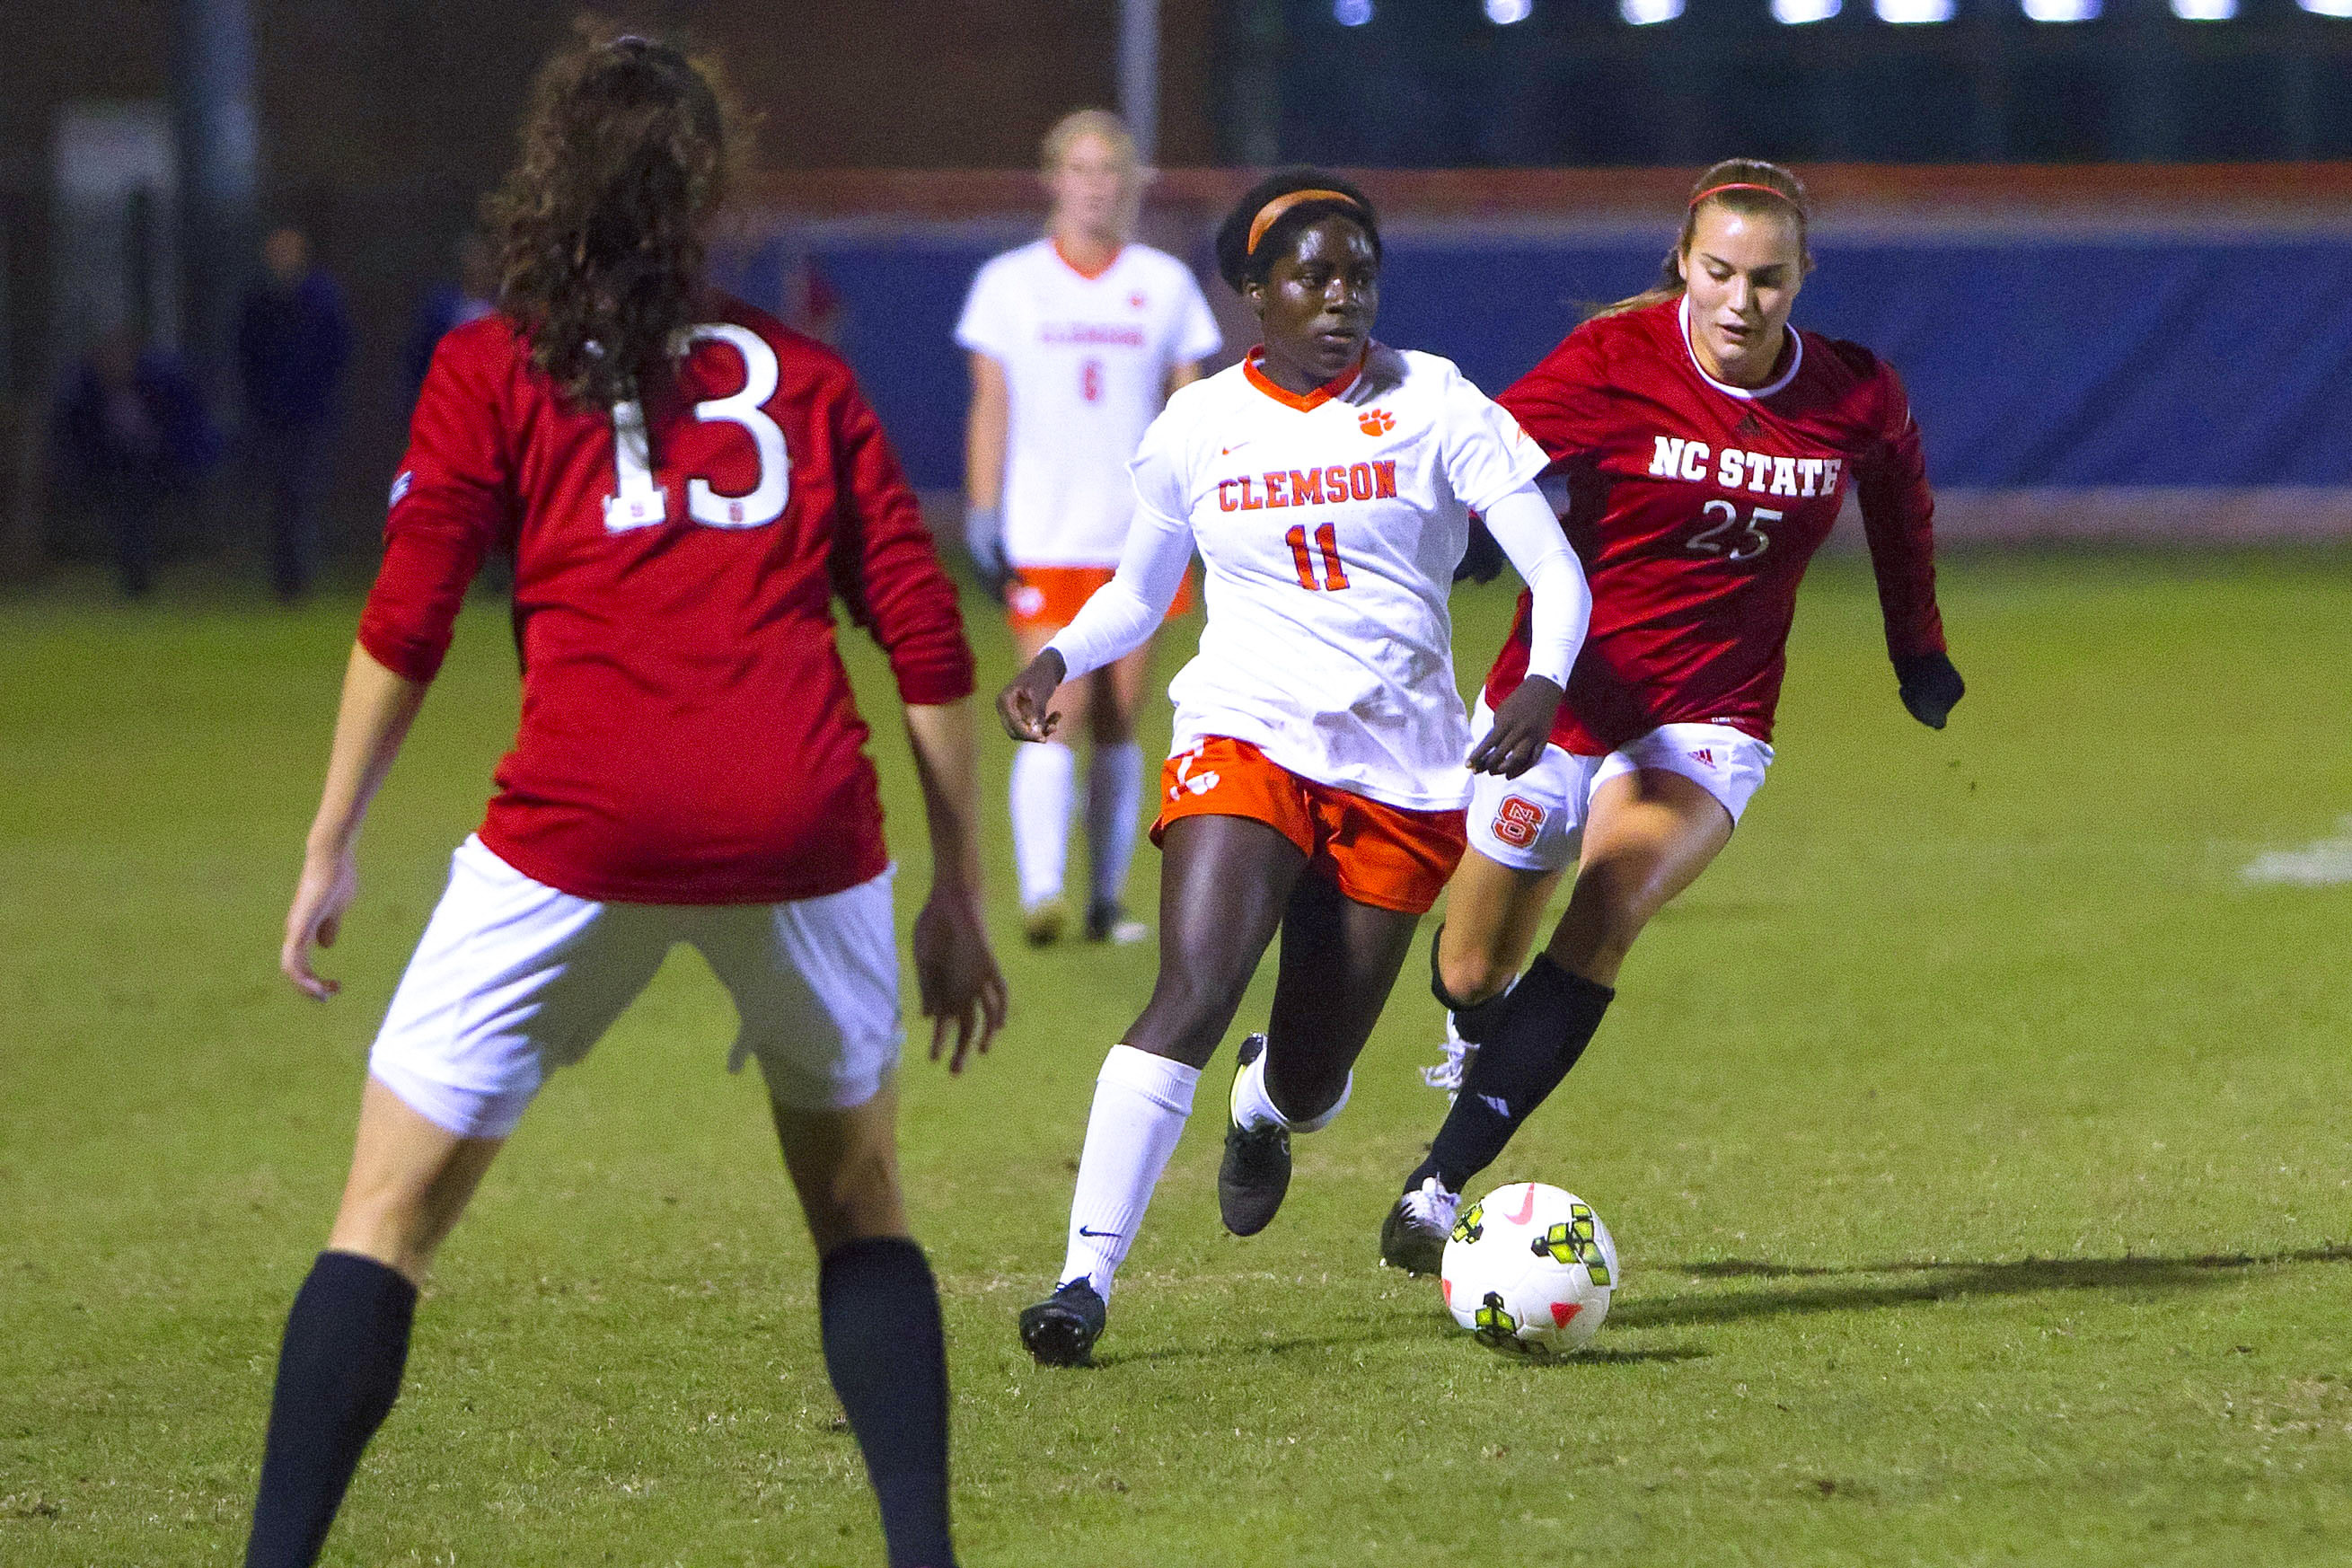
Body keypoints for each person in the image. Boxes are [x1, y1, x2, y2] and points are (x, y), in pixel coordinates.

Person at [242, 32, 1003, 1568]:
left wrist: (331, 841)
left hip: (579, 822)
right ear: (707, 190)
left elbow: (409, 615)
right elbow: (923, 639)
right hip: (801, 820)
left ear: (548, 178)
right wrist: (957, 894)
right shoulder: (803, 375)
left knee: (382, 1219)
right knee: (860, 1205)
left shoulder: (490, 365)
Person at [1000, 170, 1594, 1367]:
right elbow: (1138, 592)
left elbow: (1554, 569)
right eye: (1312, 277)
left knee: (1317, 1077)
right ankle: (1081, 1280)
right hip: (1245, 732)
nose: (1340, 298)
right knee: (1194, 987)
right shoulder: (1197, 424)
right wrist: (1057, 656)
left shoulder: (1436, 399)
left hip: (1404, 770)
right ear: (1254, 292)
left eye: (1358, 276)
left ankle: (1264, 1100)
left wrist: (1543, 681)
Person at [1377, 159, 1966, 1273]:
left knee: (1609, 906)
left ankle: (1436, 1187)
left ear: (1804, 275)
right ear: (1683, 265)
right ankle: (1475, 1029)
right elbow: (1484, 450)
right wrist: (1483, 529)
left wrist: (1918, 649)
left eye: (1769, 278)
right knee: (1469, 971)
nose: (1743, 301)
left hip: (1711, 717)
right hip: (1561, 699)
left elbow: (1903, 513)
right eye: (1720, 273)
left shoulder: (1854, 393)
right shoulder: (1616, 360)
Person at [956, 109, 1222, 947]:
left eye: (1110, 170)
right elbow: (990, 403)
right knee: (1053, 703)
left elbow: (1191, 406)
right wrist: (983, 509)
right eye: (1079, 169)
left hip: (1139, 531)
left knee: (1120, 715)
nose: (1095, 186)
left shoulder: (1164, 284)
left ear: (1131, 183)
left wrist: (1204, 503)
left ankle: (1106, 903)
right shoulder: (1009, 284)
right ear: (1052, 179)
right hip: (1044, 529)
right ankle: (1043, 896)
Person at [51, 327, 219, 595]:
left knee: (136, 503)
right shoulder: (84, 393)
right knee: (126, 505)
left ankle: (141, 572)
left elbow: (186, 430)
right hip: (111, 470)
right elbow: (79, 442)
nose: (114, 364)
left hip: (159, 467)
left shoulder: (161, 383)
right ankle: (135, 574)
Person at [236, 225, 352, 601]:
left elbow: (336, 349)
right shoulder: (259, 299)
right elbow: (247, 355)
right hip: (270, 415)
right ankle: (283, 577)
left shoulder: (321, 298)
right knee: (278, 496)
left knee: (304, 494)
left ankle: (301, 575)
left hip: (310, 413)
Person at [400, 230, 499, 408]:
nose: (480, 265)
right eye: (475, 256)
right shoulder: (441, 308)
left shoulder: (503, 311)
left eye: (486, 258)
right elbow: (418, 361)